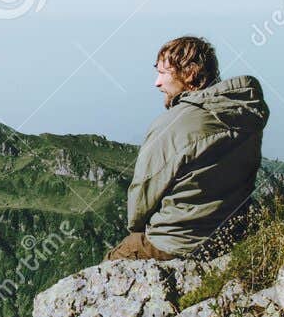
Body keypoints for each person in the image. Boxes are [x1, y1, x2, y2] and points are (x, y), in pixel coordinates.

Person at [107, 35, 269, 262]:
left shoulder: (172, 126)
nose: (157, 82)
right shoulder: (243, 111)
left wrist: (143, 229)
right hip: (234, 230)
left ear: (190, 74)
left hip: (177, 243)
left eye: (164, 73)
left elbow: (139, 206)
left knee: (112, 261)